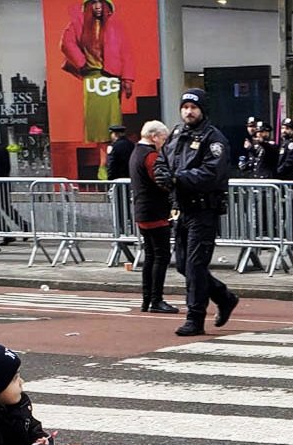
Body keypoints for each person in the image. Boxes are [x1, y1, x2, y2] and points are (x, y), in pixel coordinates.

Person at [154, 88, 240, 336]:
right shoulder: (177, 133)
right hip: (180, 208)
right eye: (185, 107)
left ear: (202, 110)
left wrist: (178, 179)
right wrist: (163, 175)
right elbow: (163, 159)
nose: (188, 112)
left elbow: (211, 173)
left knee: (194, 265)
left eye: (193, 107)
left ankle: (195, 318)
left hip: (203, 209)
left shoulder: (213, 139)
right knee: (184, 265)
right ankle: (224, 297)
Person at [60, 0, 135, 179]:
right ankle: (104, 166)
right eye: (94, 3)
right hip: (92, 77)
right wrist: (81, 62)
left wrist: (127, 79)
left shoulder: (116, 26)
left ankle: (108, 164)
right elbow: (66, 43)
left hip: (111, 78)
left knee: (111, 123)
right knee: (97, 126)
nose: (98, 7)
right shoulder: (77, 24)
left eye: (101, 3)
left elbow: (126, 52)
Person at [131, 120, 179, 314]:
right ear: (154, 137)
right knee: (161, 256)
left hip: (143, 210)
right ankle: (156, 299)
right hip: (155, 211)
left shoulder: (136, 153)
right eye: (164, 138)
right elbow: (162, 181)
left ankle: (147, 298)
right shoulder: (150, 156)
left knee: (150, 255)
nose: (164, 143)